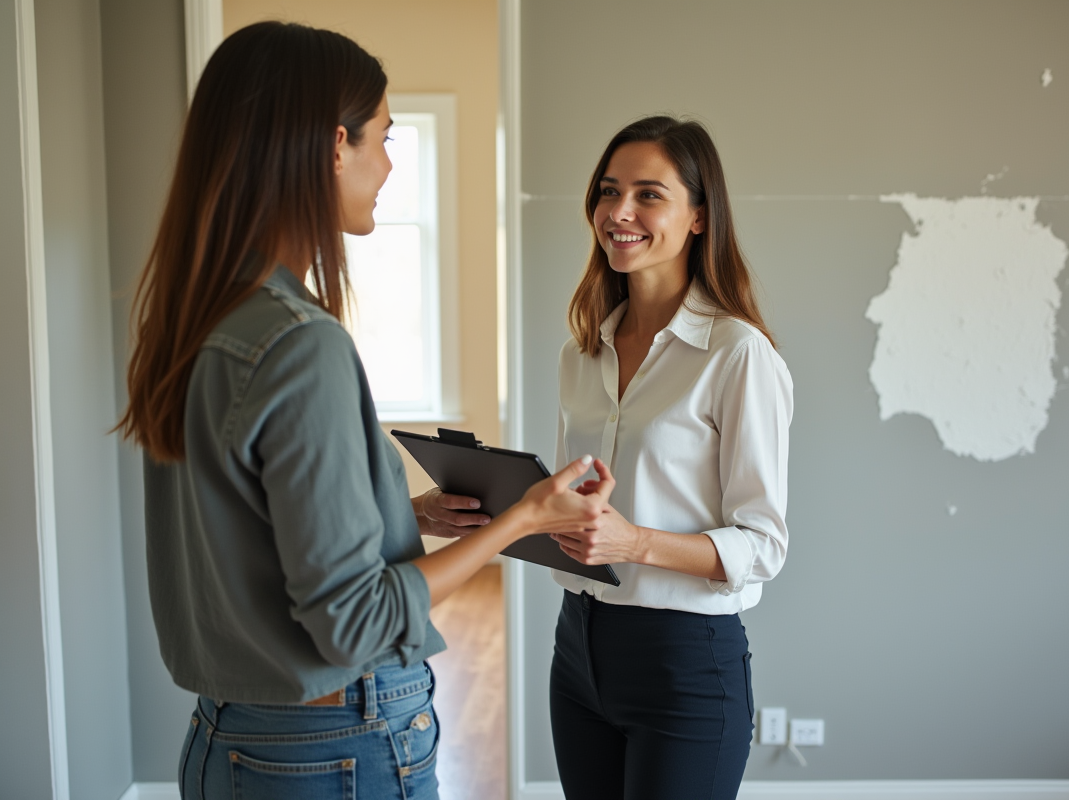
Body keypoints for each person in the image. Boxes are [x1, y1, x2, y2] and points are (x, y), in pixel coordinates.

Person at [116, 22, 612, 800]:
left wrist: (403, 516)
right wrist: (525, 519)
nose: (389, 164)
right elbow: (357, 624)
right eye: (384, 137)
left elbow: (250, 533)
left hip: (225, 741)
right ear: (332, 146)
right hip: (332, 752)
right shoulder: (297, 343)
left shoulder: (194, 322)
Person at [546, 116, 794, 799]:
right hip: (577, 648)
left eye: (648, 194)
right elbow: (574, 504)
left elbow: (763, 545)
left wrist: (634, 543)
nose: (618, 212)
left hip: (684, 662)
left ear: (699, 217)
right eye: (608, 191)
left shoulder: (737, 355)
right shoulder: (580, 353)